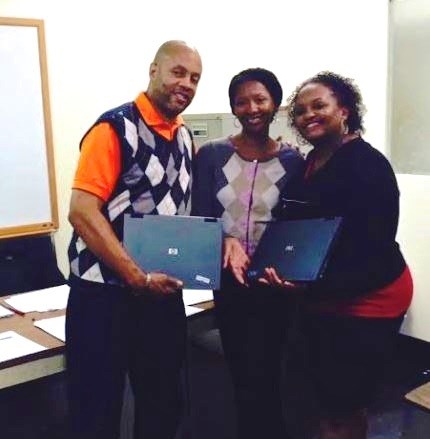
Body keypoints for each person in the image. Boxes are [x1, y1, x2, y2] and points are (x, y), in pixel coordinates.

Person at [261, 71, 414, 439]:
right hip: (321, 294)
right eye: (300, 111)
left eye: (319, 106)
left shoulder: (368, 166)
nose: (308, 115)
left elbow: (369, 252)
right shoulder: (311, 162)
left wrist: (303, 285)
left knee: (344, 405)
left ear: (344, 110)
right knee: (315, 397)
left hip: (368, 298)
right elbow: (292, 221)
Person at [65, 40, 202, 439]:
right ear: (153, 70)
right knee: (96, 408)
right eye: (178, 72)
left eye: (194, 78)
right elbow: (82, 211)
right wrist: (135, 276)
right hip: (104, 296)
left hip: (159, 296)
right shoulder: (114, 127)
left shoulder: (184, 136)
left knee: (163, 403)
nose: (186, 84)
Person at [192, 68, 304, 439]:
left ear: (275, 105)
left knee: (276, 372)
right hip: (230, 280)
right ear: (233, 108)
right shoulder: (211, 155)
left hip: (274, 282)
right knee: (239, 369)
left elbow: (296, 222)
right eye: (242, 101)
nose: (252, 107)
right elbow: (201, 214)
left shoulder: (292, 161)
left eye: (260, 99)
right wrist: (224, 238)